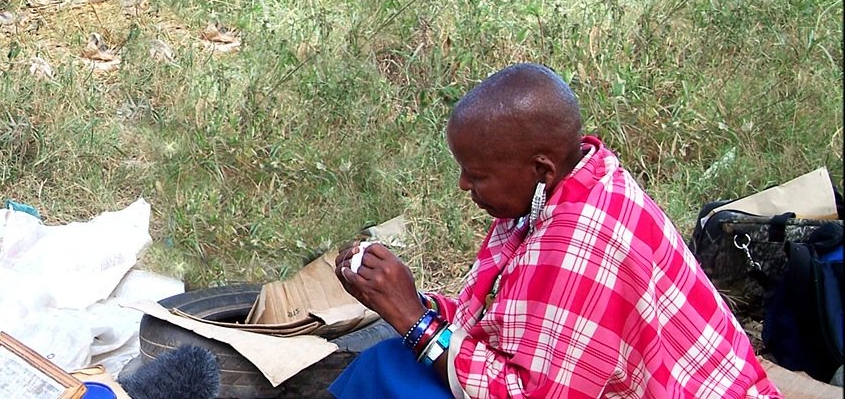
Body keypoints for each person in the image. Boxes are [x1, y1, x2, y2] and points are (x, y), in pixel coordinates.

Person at [331, 64, 780, 398]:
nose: (464, 185)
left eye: (477, 174)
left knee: (387, 373)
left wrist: (413, 320)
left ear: (540, 168)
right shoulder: (572, 182)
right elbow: (502, 324)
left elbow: (527, 392)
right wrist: (400, 297)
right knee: (388, 365)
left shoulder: (582, 240)